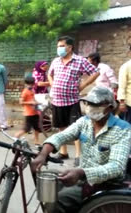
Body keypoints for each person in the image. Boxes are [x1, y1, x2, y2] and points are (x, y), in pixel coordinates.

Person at [31, 86, 131, 213]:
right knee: (50, 179)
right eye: (87, 103)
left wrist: (80, 172)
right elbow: (61, 136)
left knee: (57, 201)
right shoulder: (84, 122)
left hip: (105, 184)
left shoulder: (122, 129)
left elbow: (116, 167)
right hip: (83, 177)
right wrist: (43, 154)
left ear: (109, 107)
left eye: (95, 104)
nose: (89, 107)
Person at [47, 36, 99, 166]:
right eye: (58, 46)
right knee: (61, 127)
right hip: (57, 101)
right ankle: (63, 152)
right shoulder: (56, 61)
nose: (59, 49)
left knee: (75, 128)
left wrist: (83, 85)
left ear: (70, 48)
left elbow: (95, 72)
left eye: (61, 46)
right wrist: (53, 84)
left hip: (71, 101)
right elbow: (49, 74)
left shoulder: (80, 61)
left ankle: (78, 155)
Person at [15, 76, 41, 145]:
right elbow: (21, 102)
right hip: (28, 113)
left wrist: (37, 102)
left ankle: (36, 140)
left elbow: (33, 98)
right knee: (27, 128)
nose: (31, 85)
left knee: (37, 128)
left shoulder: (31, 90)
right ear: (27, 84)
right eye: (30, 84)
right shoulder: (25, 92)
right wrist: (31, 103)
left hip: (35, 112)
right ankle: (16, 136)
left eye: (32, 84)